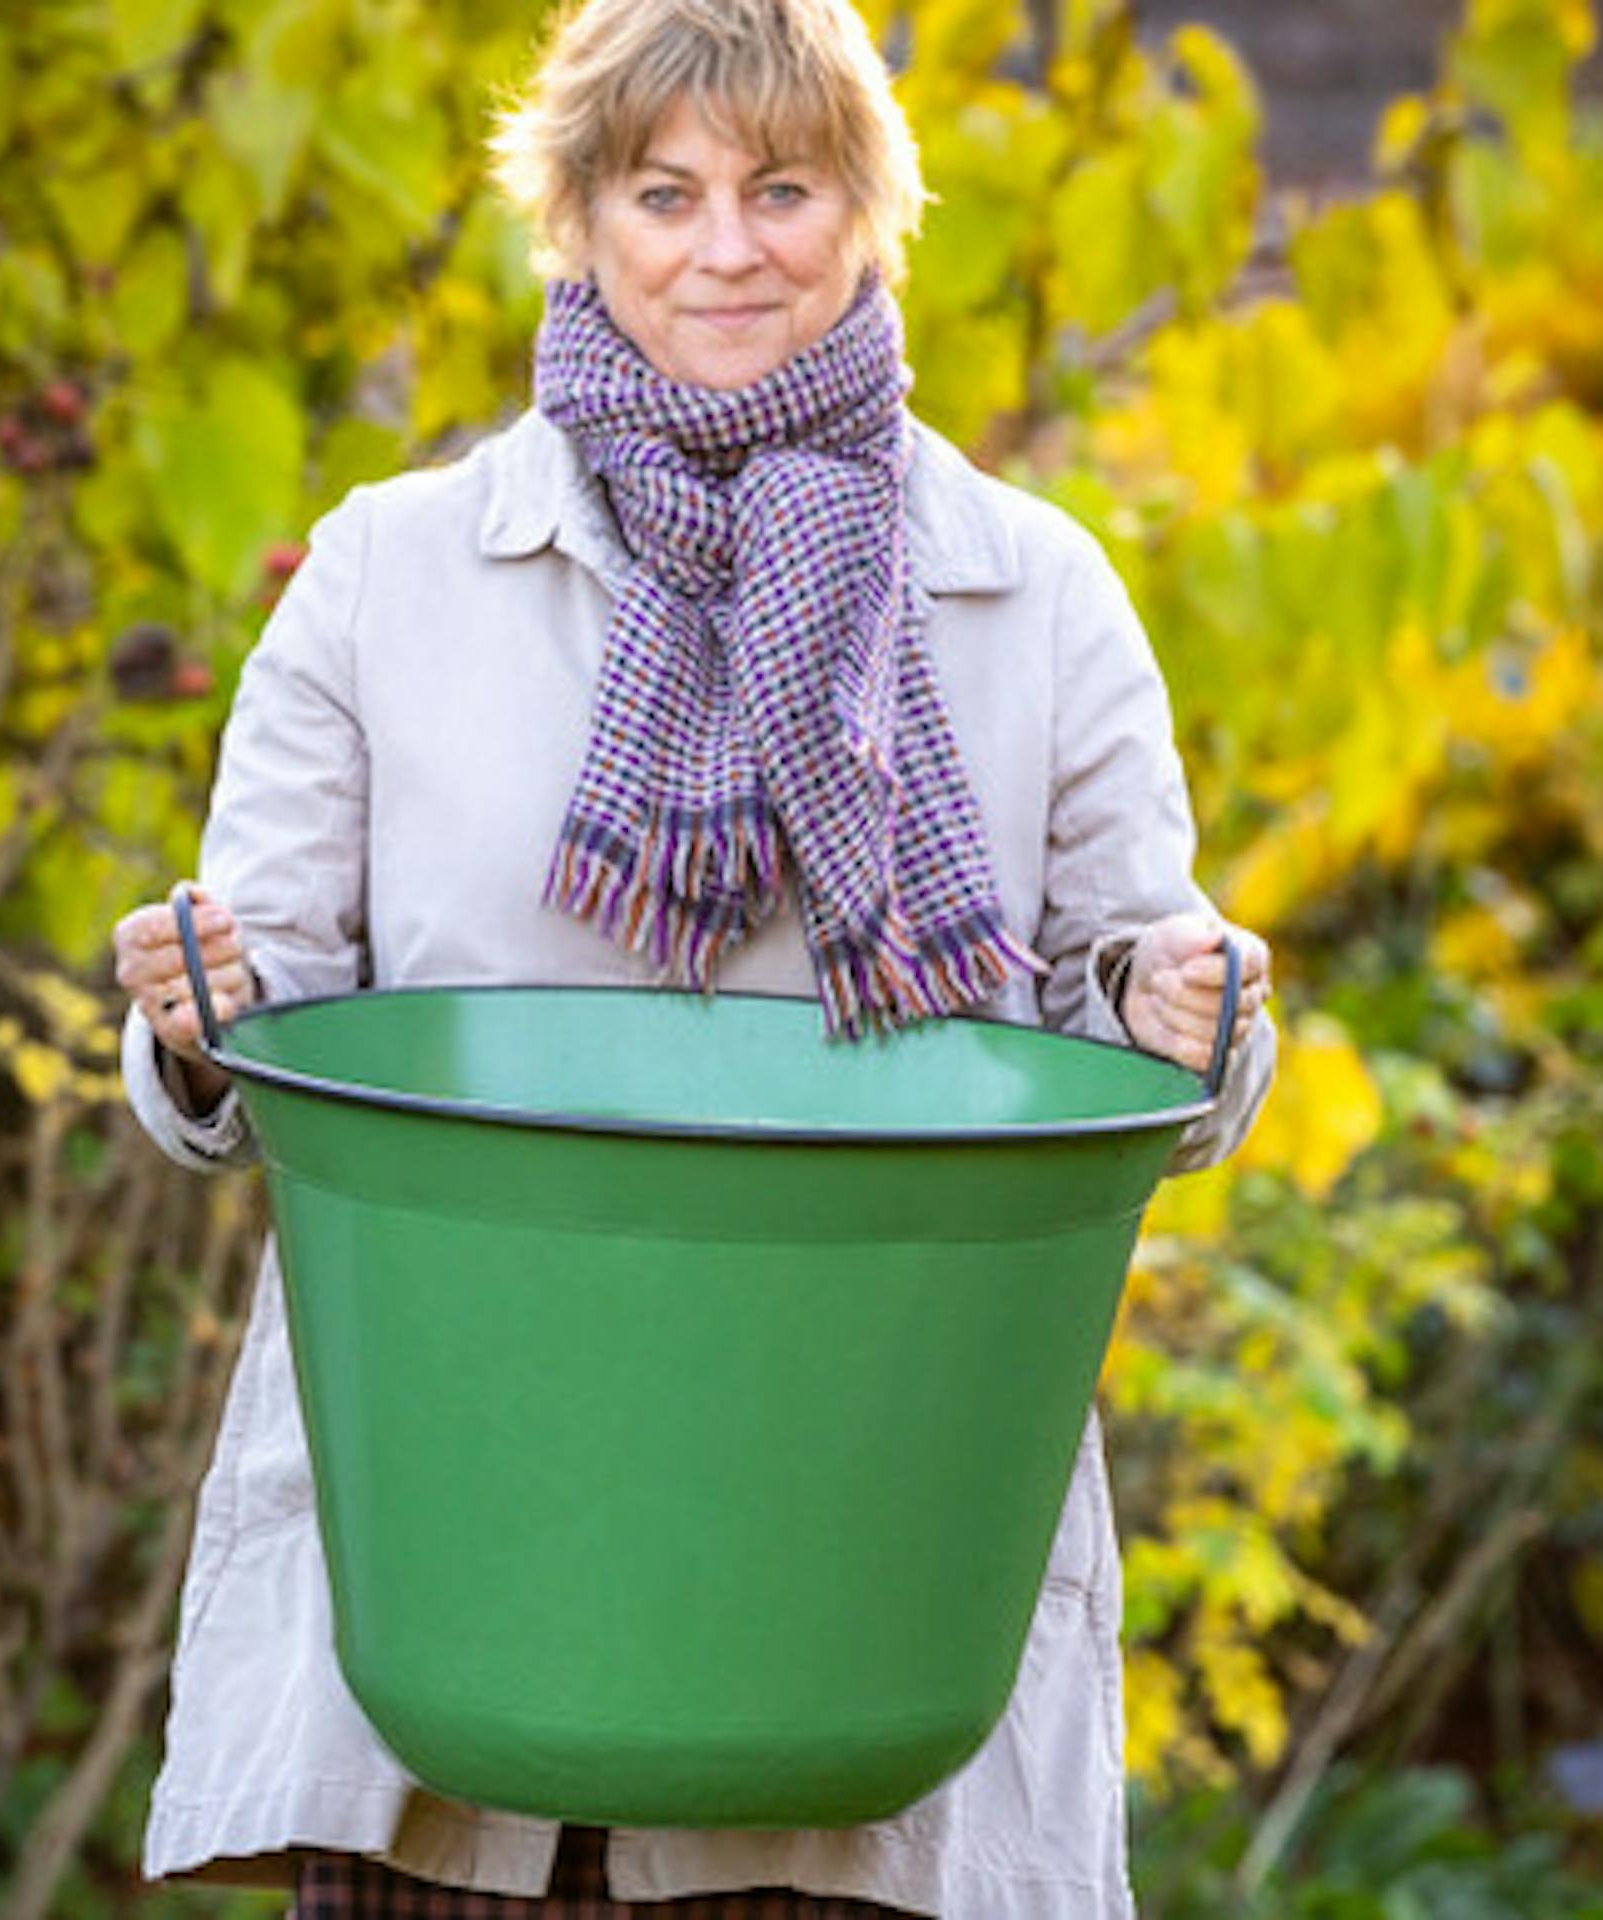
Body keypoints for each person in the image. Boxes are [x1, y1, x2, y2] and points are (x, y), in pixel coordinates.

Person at [112, 1, 1275, 1913]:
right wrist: (208, 1017)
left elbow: (1120, 1044)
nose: (727, 245)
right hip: (469, 1604)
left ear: (871, 214)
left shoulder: (1033, 589)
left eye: (784, 186)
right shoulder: (392, 576)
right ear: (577, 219)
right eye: (664, 192)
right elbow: (272, 1042)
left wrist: (1177, 1007)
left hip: (856, 1610)